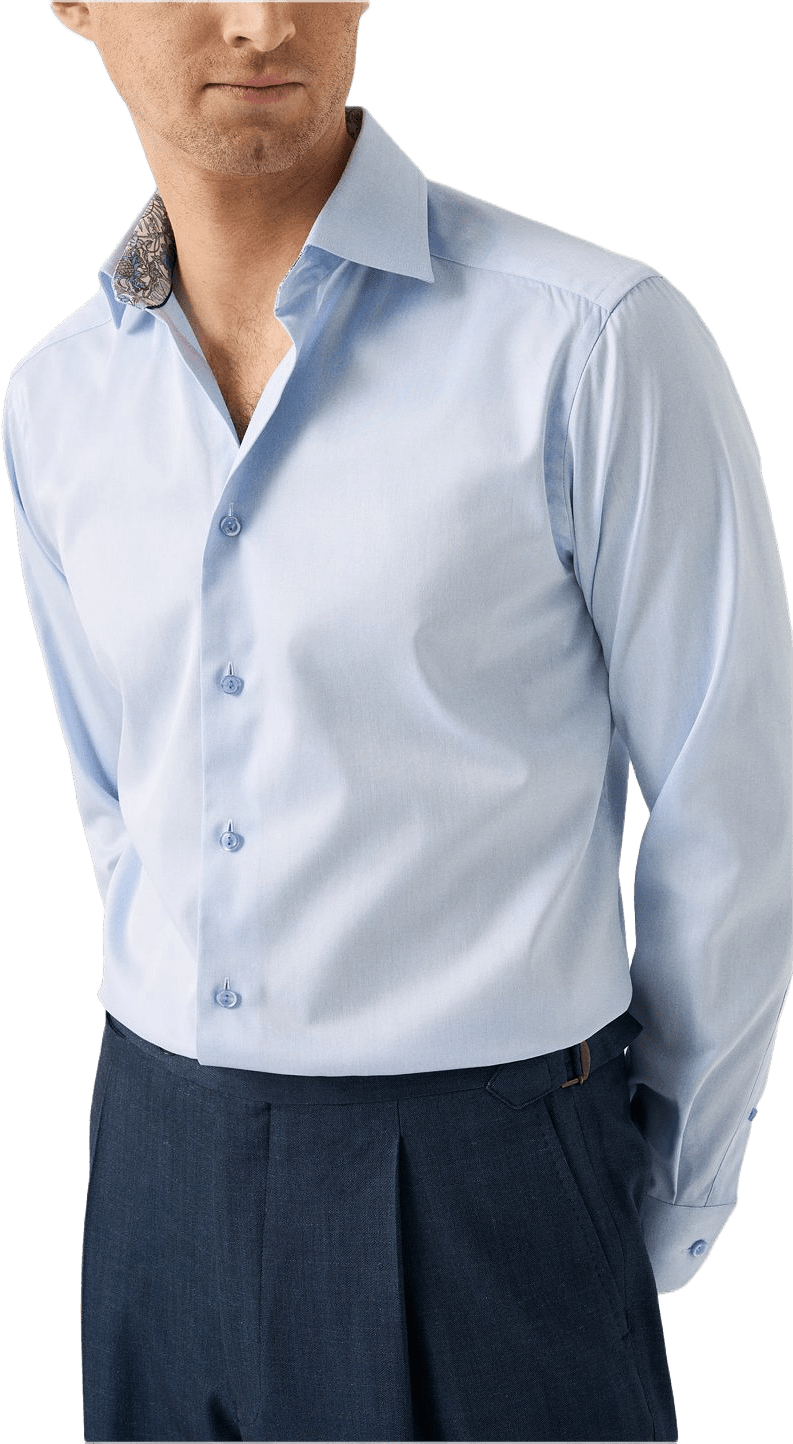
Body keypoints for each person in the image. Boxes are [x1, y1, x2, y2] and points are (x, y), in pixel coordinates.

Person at [2, 2, 791, 1441]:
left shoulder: (590, 342)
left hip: (493, 1188)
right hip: (155, 1178)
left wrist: (646, 1202)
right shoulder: (55, 402)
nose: (261, 21)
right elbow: (117, 799)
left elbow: (736, 794)